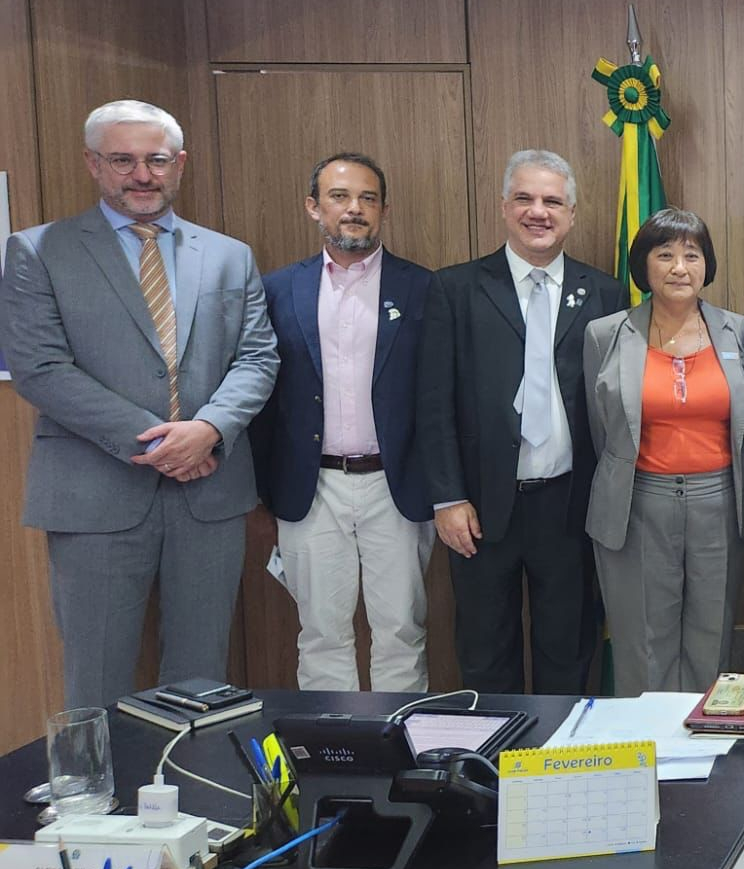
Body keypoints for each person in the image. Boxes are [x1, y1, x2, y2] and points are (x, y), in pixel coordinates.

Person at [0, 99, 277, 708]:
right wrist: (161, 440)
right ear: (93, 165)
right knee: (95, 677)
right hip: (94, 493)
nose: (141, 175)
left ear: (180, 164)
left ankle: (194, 799)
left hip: (210, 494)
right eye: (122, 160)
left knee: (202, 681)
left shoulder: (230, 254)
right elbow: (40, 370)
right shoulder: (39, 251)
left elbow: (258, 358)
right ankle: (95, 805)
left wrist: (207, 429)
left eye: (155, 160)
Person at [416, 149, 626, 694]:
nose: (539, 211)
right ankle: (493, 773)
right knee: (486, 653)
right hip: (480, 508)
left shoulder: (605, 293)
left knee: (568, 649)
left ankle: (557, 772)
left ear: (572, 213)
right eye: (525, 199)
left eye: (553, 201)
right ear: (504, 208)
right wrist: (446, 498)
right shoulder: (455, 289)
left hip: (570, 506)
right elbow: (433, 402)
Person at [249, 152, 435, 692]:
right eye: (339, 196)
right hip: (311, 487)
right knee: (322, 633)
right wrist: (262, 495)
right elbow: (262, 396)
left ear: (384, 209)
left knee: (401, 630)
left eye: (368, 198)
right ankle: (332, 761)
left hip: (395, 484)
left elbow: (437, 396)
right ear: (314, 207)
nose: (354, 209)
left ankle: (402, 761)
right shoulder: (277, 289)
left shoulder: (423, 288)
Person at [582, 208, 744, 696]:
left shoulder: (738, 332)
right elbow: (604, 429)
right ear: (644, 266)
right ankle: (648, 757)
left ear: (707, 265)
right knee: (641, 641)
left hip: (718, 502)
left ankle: (704, 758)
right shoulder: (606, 333)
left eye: (692, 255)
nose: (680, 267)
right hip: (637, 503)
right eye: (666, 255)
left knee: (710, 637)